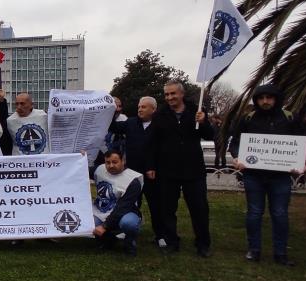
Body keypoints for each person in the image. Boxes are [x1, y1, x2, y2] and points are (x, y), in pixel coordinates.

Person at [229, 84, 303, 265]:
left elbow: (301, 142)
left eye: (269, 98)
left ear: (276, 99)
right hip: (253, 175)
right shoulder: (248, 118)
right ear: (256, 100)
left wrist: (299, 162)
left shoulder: (289, 118)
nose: (265, 101)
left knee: (280, 214)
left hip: (280, 176)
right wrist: (237, 157)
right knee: (254, 213)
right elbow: (235, 142)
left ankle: (280, 253)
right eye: (261, 98)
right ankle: (254, 250)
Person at [145, 80, 214, 257]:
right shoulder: (160, 115)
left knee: (199, 208)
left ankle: (203, 243)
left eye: (173, 94)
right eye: (167, 94)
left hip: (194, 169)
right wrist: (151, 165)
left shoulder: (196, 111)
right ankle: (171, 241)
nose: (170, 97)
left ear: (181, 94)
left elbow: (209, 135)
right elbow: (152, 143)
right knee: (167, 209)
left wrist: (204, 122)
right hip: (167, 170)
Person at [110, 96, 164, 244]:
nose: (140, 109)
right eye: (139, 106)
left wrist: (152, 166)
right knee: (131, 203)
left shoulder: (160, 125)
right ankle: (125, 229)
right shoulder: (131, 122)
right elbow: (113, 127)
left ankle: (160, 235)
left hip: (152, 174)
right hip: (133, 174)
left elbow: (160, 149)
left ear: (153, 109)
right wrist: (111, 112)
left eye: (144, 107)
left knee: (156, 205)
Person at [92, 150, 144, 255]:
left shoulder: (133, 181)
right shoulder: (100, 169)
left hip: (125, 212)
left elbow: (123, 207)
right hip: (101, 209)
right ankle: (109, 239)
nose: (111, 165)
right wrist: (81, 157)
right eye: (108, 162)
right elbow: (81, 169)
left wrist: (104, 226)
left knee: (129, 223)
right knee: (86, 223)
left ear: (123, 161)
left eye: (115, 162)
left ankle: (130, 243)